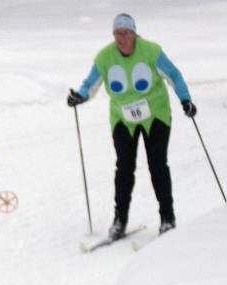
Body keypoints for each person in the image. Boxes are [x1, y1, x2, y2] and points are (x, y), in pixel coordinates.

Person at [67, 13, 195, 238]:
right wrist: (80, 96)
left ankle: (167, 217)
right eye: (117, 34)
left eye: (126, 33)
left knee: (158, 165)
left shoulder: (151, 51)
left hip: (155, 115)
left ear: (134, 34)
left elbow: (173, 75)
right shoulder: (105, 58)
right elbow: (91, 83)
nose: (121, 39)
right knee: (124, 168)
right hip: (123, 119)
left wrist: (185, 99)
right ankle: (120, 220)